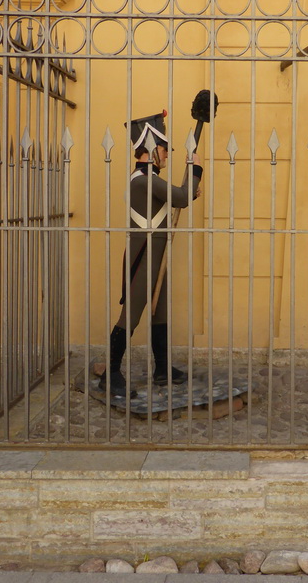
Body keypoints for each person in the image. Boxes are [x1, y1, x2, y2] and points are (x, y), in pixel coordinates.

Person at [98, 111, 203, 399]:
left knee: (160, 312)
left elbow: (177, 196)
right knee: (130, 316)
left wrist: (189, 190)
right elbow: (180, 196)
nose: (167, 153)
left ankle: (162, 370)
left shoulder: (150, 179)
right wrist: (195, 170)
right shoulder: (142, 180)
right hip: (144, 255)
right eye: (163, 148)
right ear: (149, 149)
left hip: (158, 254)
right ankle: (110, 374)